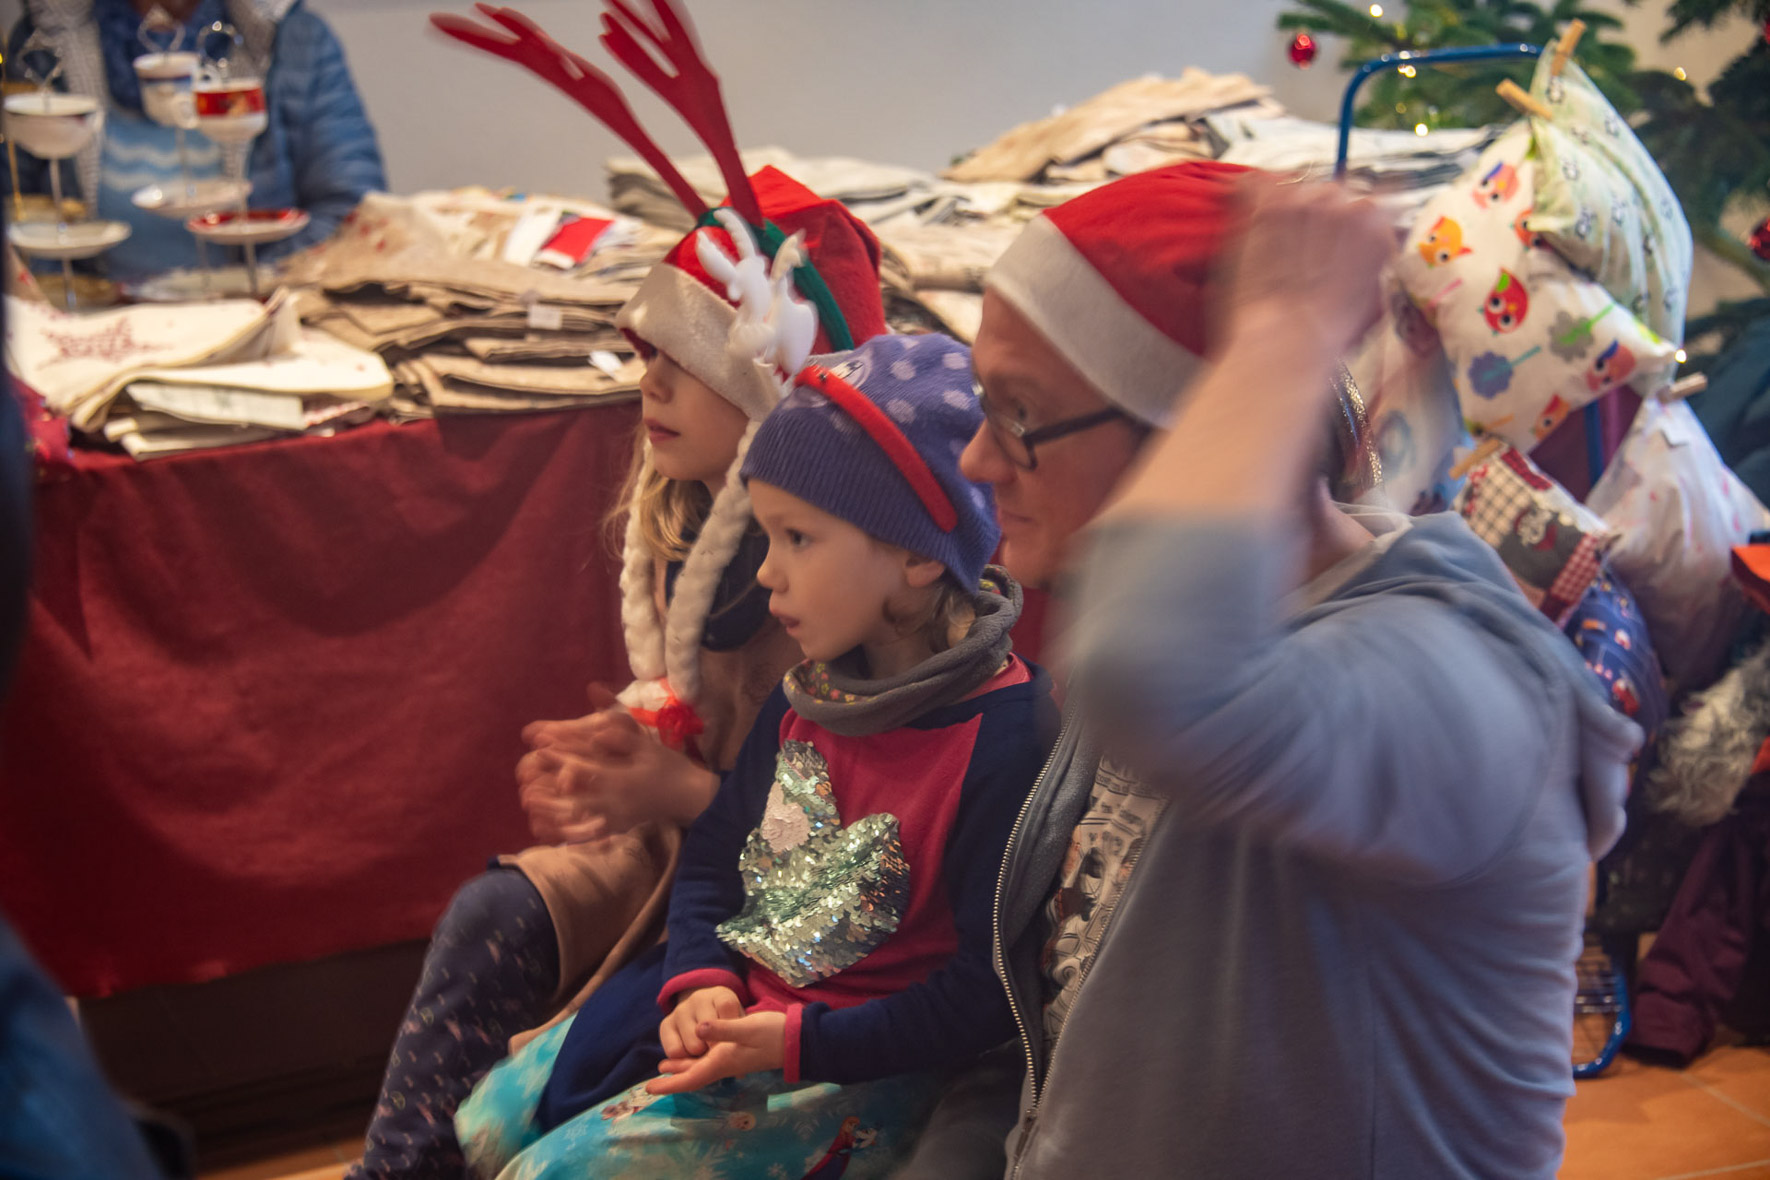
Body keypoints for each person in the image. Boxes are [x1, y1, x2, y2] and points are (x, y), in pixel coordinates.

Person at [942, 163, 1639, 1177]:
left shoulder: (1456, 681)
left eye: (1019, 413)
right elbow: (1069, 1024)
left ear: (1192, 429)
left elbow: (1154, 672)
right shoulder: (1189, 618)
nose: (975, 459)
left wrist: (1281, 331)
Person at [348, 166, 889, 1180]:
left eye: (689, 361)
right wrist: (625, 759)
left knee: (587, 1082)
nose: (651, 385)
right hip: (677, 858)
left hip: (776, 916)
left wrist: (675, 789)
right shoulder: (688, 531)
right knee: (493, 915)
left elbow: (843, 856)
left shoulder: (842, 591)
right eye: (650, 355)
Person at [453, 331, 1055, 1179]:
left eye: (796, 538)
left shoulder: (1008, 739)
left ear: (919, 553)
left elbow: (982, 997)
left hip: (860, 1070)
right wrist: (702, 977)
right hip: (742, 1014)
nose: (767, 574)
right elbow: (716, 858)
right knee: (483, 1127)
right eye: (766, 537)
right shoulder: (809, 693)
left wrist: (797, 1040)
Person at [6, 0, 385, 276]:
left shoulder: (294, 40)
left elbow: (352, 209)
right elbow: (13, 207)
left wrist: (252, 288)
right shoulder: (44, 44)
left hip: (261, 311)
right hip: (97, 324)